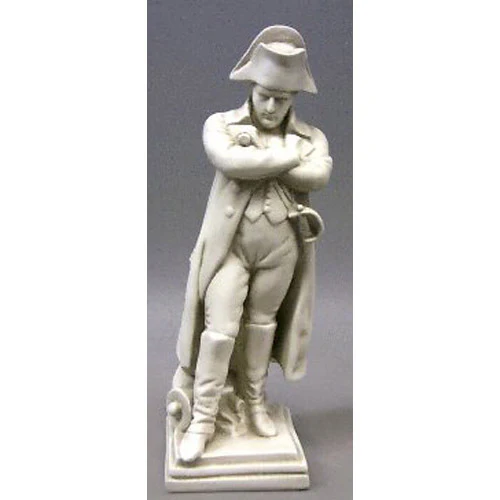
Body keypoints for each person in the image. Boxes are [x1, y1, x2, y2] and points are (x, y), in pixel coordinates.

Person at [170, 25, 333, 463]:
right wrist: (286, 158)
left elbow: (318, 174)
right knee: (219, 331)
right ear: (252, 89)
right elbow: (229, 160)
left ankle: (254, 402)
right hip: (231, 250)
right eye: (265, 96)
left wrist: (265, 158)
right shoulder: (221, 125)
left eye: (282, 99)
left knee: (263, 326)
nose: (272, 106)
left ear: (293, 99)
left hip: (282, 250)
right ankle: (203, 418)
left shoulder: (311, 137)